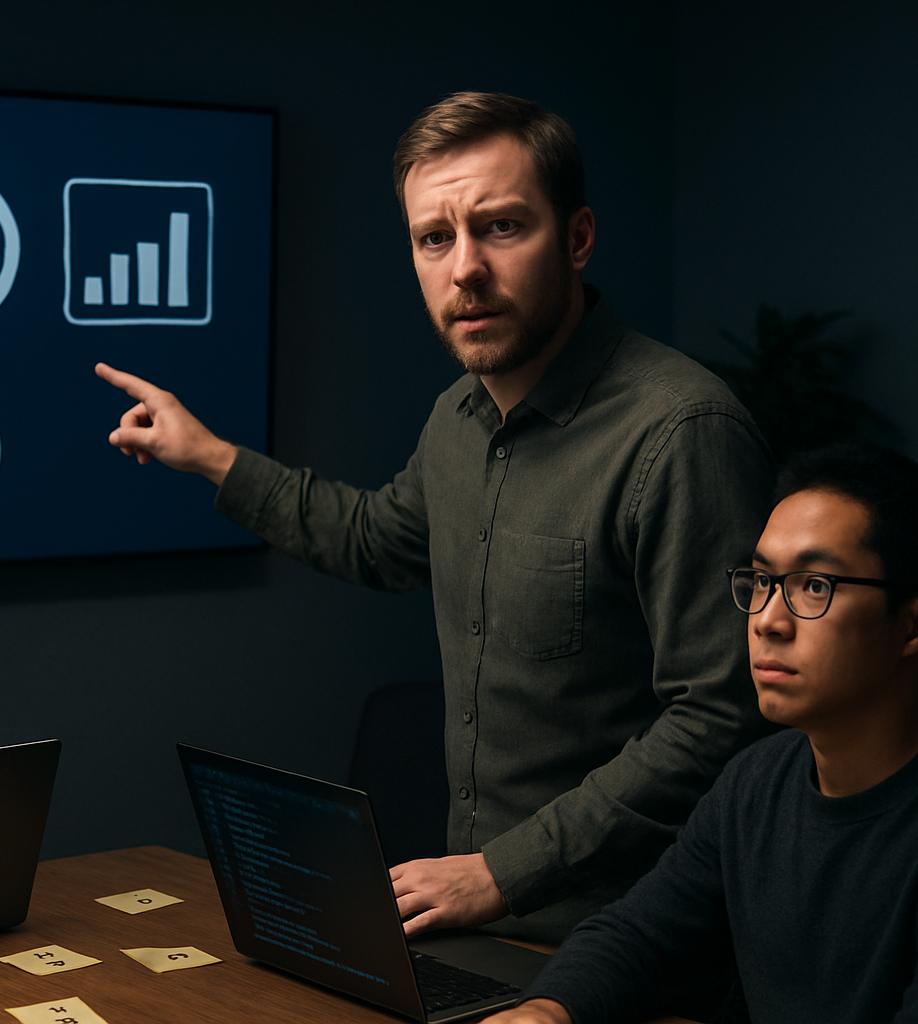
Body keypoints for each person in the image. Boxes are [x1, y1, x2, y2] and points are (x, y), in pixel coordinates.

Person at [95, 91, 774, 943]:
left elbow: (720, 716)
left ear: (578, 238)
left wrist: (502, 873)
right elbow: (376, 540)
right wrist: (208, 455)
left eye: (501, 227)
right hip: (485, 933)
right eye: (434, 238)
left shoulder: (682, 433)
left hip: (632, 943)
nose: (465, 271)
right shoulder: (459, 417)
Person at [489, 444, 918, 1023]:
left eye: (815, 586)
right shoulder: (758, 780)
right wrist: (544, 1013)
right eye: (763, 580)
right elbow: (642, 935)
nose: (768, 619)